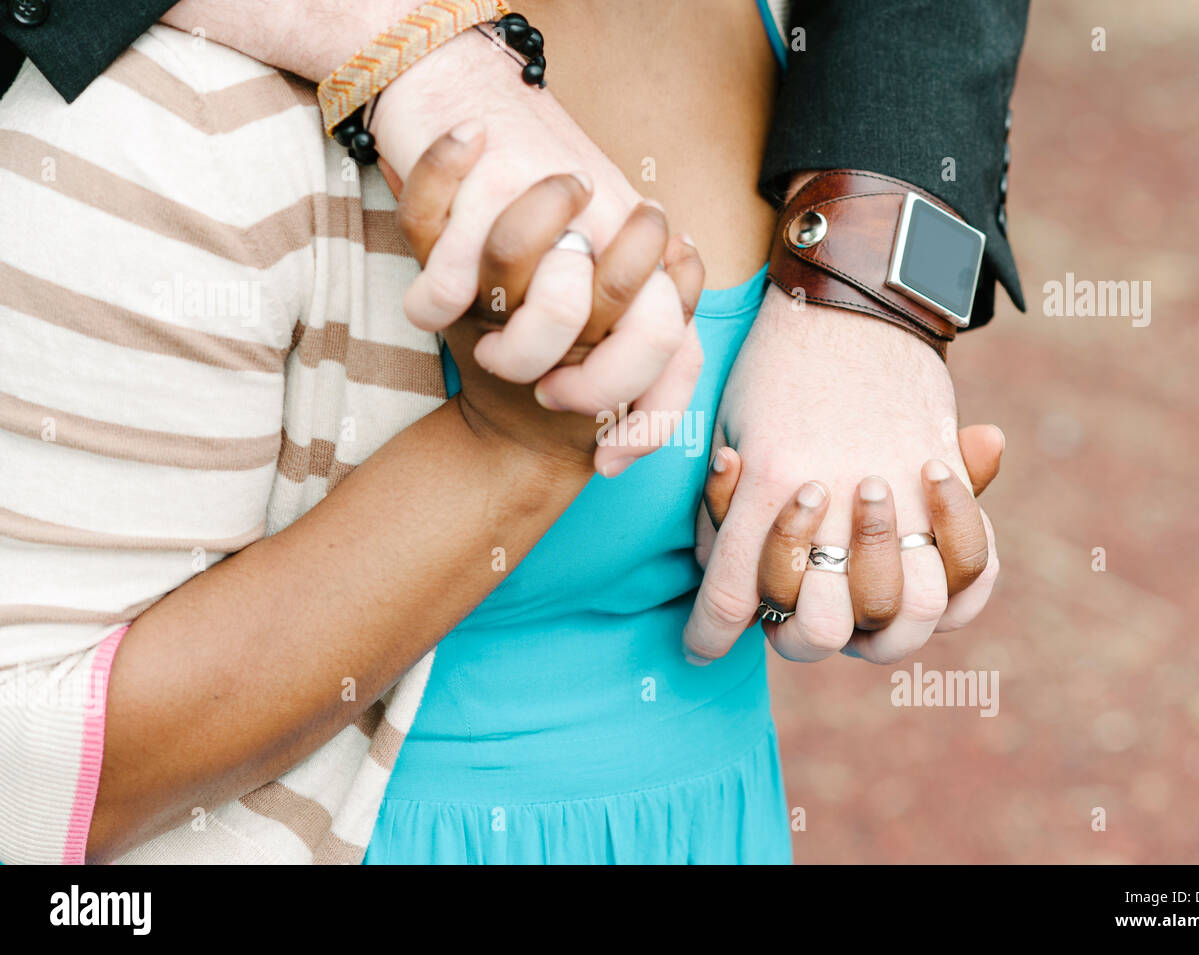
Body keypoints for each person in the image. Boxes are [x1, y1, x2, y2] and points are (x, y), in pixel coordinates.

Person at [0, 0, 1027, 864]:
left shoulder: (793, 34)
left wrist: (874, 309)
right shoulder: (168, 114)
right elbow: (36, 782)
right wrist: (512, 451)